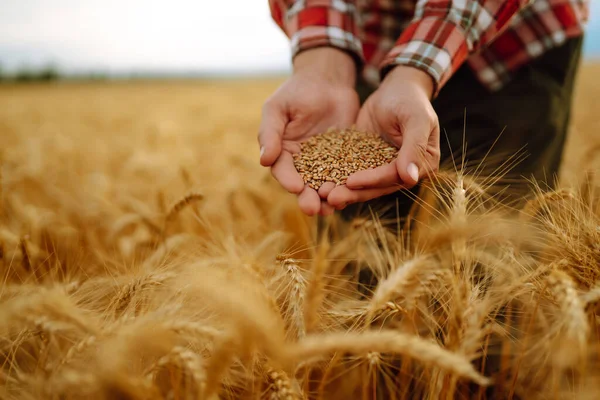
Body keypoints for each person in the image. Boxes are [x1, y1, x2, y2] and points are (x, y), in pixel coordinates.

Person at [258, 0, 590, 222]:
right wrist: (323, 65)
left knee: (493, 250)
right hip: (369, 42)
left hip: (513, 38)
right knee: (365, 255)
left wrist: (414, 75)